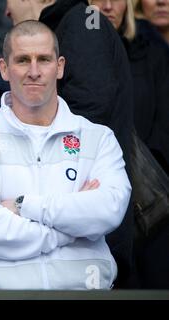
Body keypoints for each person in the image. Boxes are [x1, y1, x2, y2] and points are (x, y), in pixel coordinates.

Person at [0, 20, 131, 289]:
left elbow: (108, 211)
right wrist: (69, 229)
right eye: (23, 60)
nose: (34, 71)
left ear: (59, 67)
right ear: (4, 68)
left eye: (44, 59)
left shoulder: (97, 137)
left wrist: (24, 205)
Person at [5, 0, 137, 288]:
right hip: (71, 234)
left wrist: (34, 203)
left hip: (89, 244)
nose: (6, 10)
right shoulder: (72, 23)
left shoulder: (83, 21)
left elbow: (90, 113)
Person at [91, 0, 169, 289]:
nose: (108, 6)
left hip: (151, 201)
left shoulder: (152, 53)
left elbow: (164, 123)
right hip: (95, 195)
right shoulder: (75, 55)